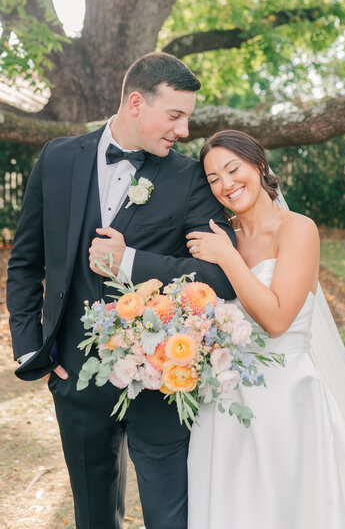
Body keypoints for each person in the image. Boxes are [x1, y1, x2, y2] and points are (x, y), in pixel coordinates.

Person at [6, 53, 236, 529]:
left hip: (162, 380)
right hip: (75, 379)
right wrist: (35, 350)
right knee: (93, 516)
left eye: (187, 117)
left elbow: (220, 277)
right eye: (175, 115)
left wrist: (131, 260)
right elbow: (26, 263)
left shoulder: (190, 177)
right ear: (136, 102)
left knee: (169, 519)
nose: (184, 130)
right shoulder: (56, 158)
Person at [185, 129, 345, 529]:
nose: (226, 184)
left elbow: (278, 319)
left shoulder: (298, 229)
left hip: (285, 397)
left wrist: (228, 258)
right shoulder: (221, 233)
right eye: (213, 179)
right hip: (224, 400)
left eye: (233, 169)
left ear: (259, 165)